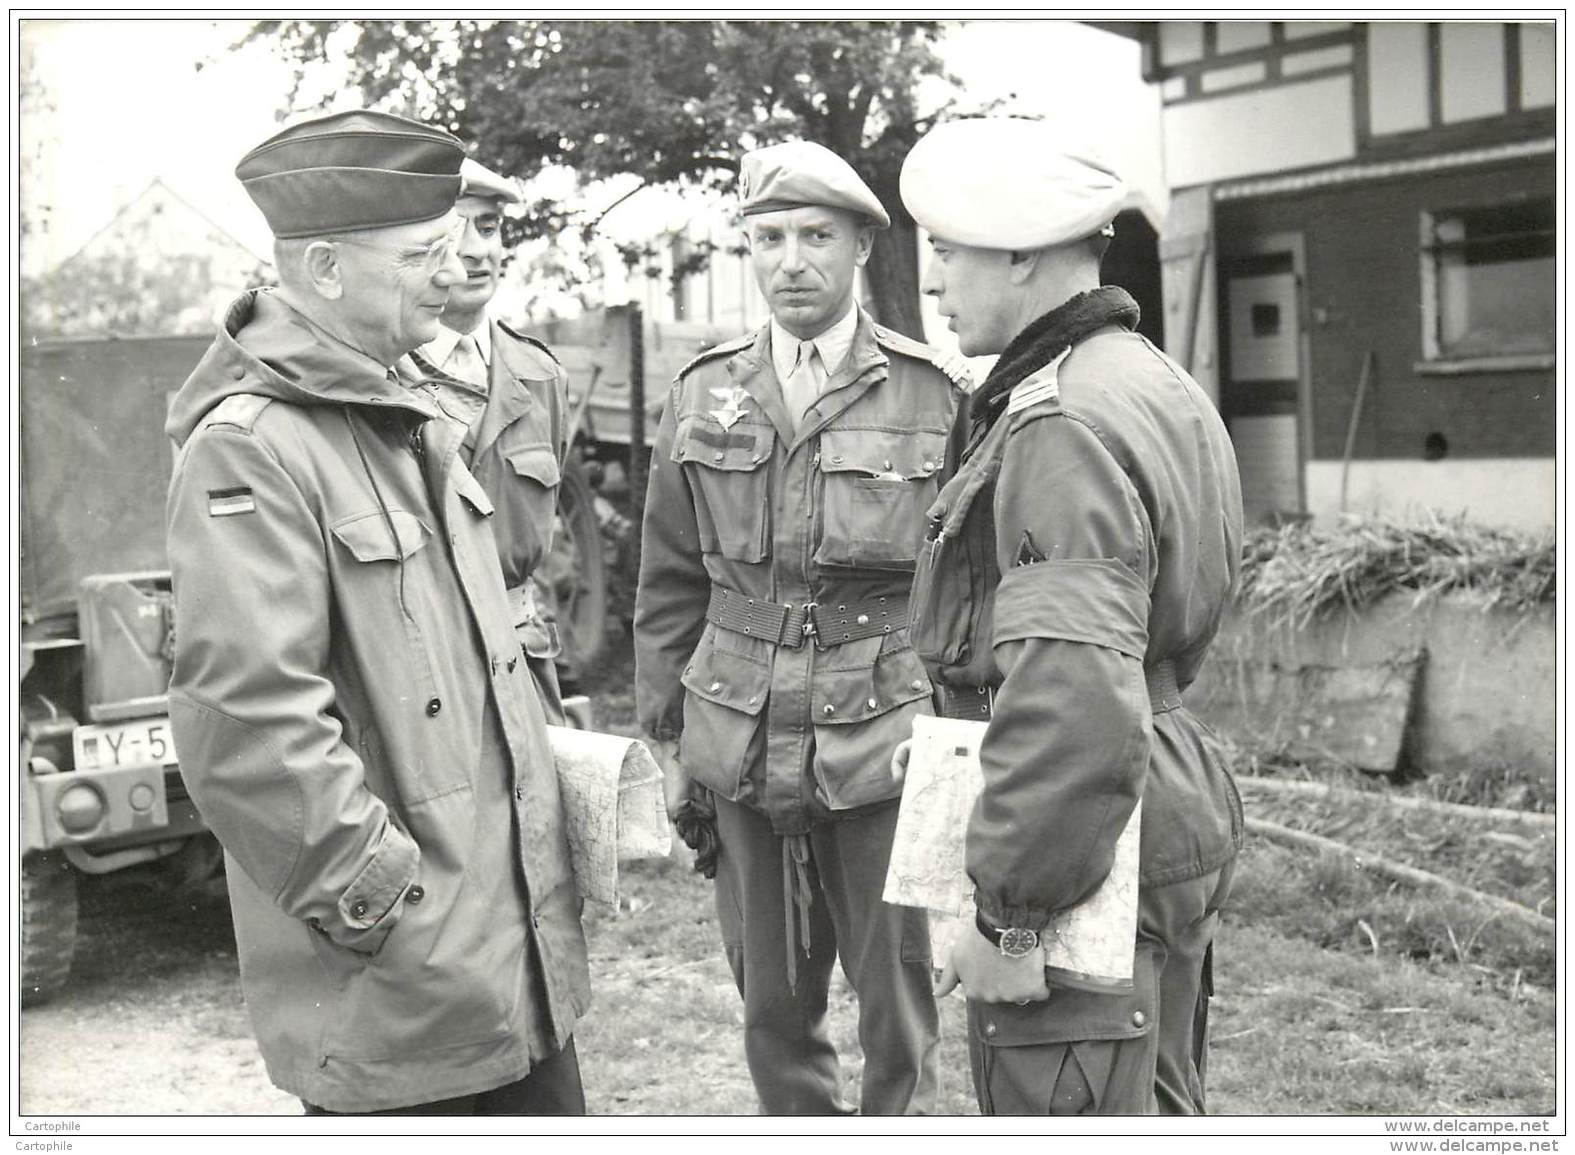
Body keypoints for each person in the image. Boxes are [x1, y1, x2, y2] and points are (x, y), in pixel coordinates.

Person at [164, 110, 590, 1115]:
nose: (450, 275)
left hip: (506, 963)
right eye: (419, 255)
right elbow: (247, 725)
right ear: (320, 268)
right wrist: (390, 907)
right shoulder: (253, 447)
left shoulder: (407, 414)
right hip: (405, 984)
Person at [896, 117, 1245, 1116]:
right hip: (1148, 787)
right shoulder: (1146, 378)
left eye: (948, 251)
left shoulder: (1061, 421)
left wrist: (1011, 925)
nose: (935, 281)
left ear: (1017, 251)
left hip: (1088, 829)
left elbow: (1074, 697)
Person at [633, 140, 968, 1115]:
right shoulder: (702, 394)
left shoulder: (932, 392)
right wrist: (668, 740)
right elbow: (664, 582)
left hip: (884, 737)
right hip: (737, 727)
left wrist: (963, 747)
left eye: (817, 235)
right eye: (769, 237)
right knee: (770, 1005)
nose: (791, 259)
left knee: (896, 1008)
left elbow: (969, 594)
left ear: (863, 245)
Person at [400, 158, 574, 721]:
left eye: (490, 227)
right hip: (422, 679)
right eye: (455, 228)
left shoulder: (540, 375)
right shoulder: (379, 380)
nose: (477, 250)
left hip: (523, 666)